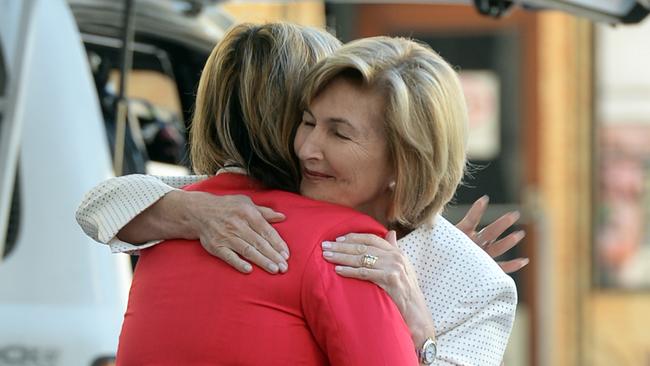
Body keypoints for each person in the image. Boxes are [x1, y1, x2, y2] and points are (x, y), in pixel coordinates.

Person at [77, 25, 522, 365]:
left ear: (403, 161)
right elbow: (102, 206)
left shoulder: (475, 284)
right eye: (306, 122)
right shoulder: (245, 209)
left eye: (339, 134)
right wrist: (190, 211)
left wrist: (420, 325)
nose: (307, 149)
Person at [115, 23, 417, 365]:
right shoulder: (341, 241)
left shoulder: (166, 230)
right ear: (295, 116)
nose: (313, 146)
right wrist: (424, 338)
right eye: (312, 120)